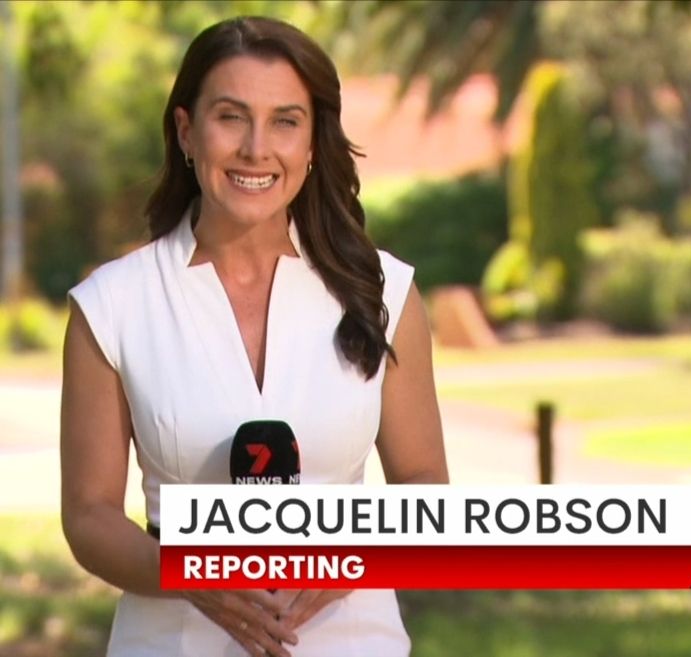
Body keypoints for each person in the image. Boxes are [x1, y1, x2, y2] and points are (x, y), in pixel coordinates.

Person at [61, 15, 448, 657]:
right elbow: (88, 515)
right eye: (231, 117)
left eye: (285, 121)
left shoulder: (385, 293)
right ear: (187, 131)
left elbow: (425, 483)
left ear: (314, 142)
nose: (256, 148)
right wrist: (193, 575)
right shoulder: (112, 305)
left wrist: (348, 558)